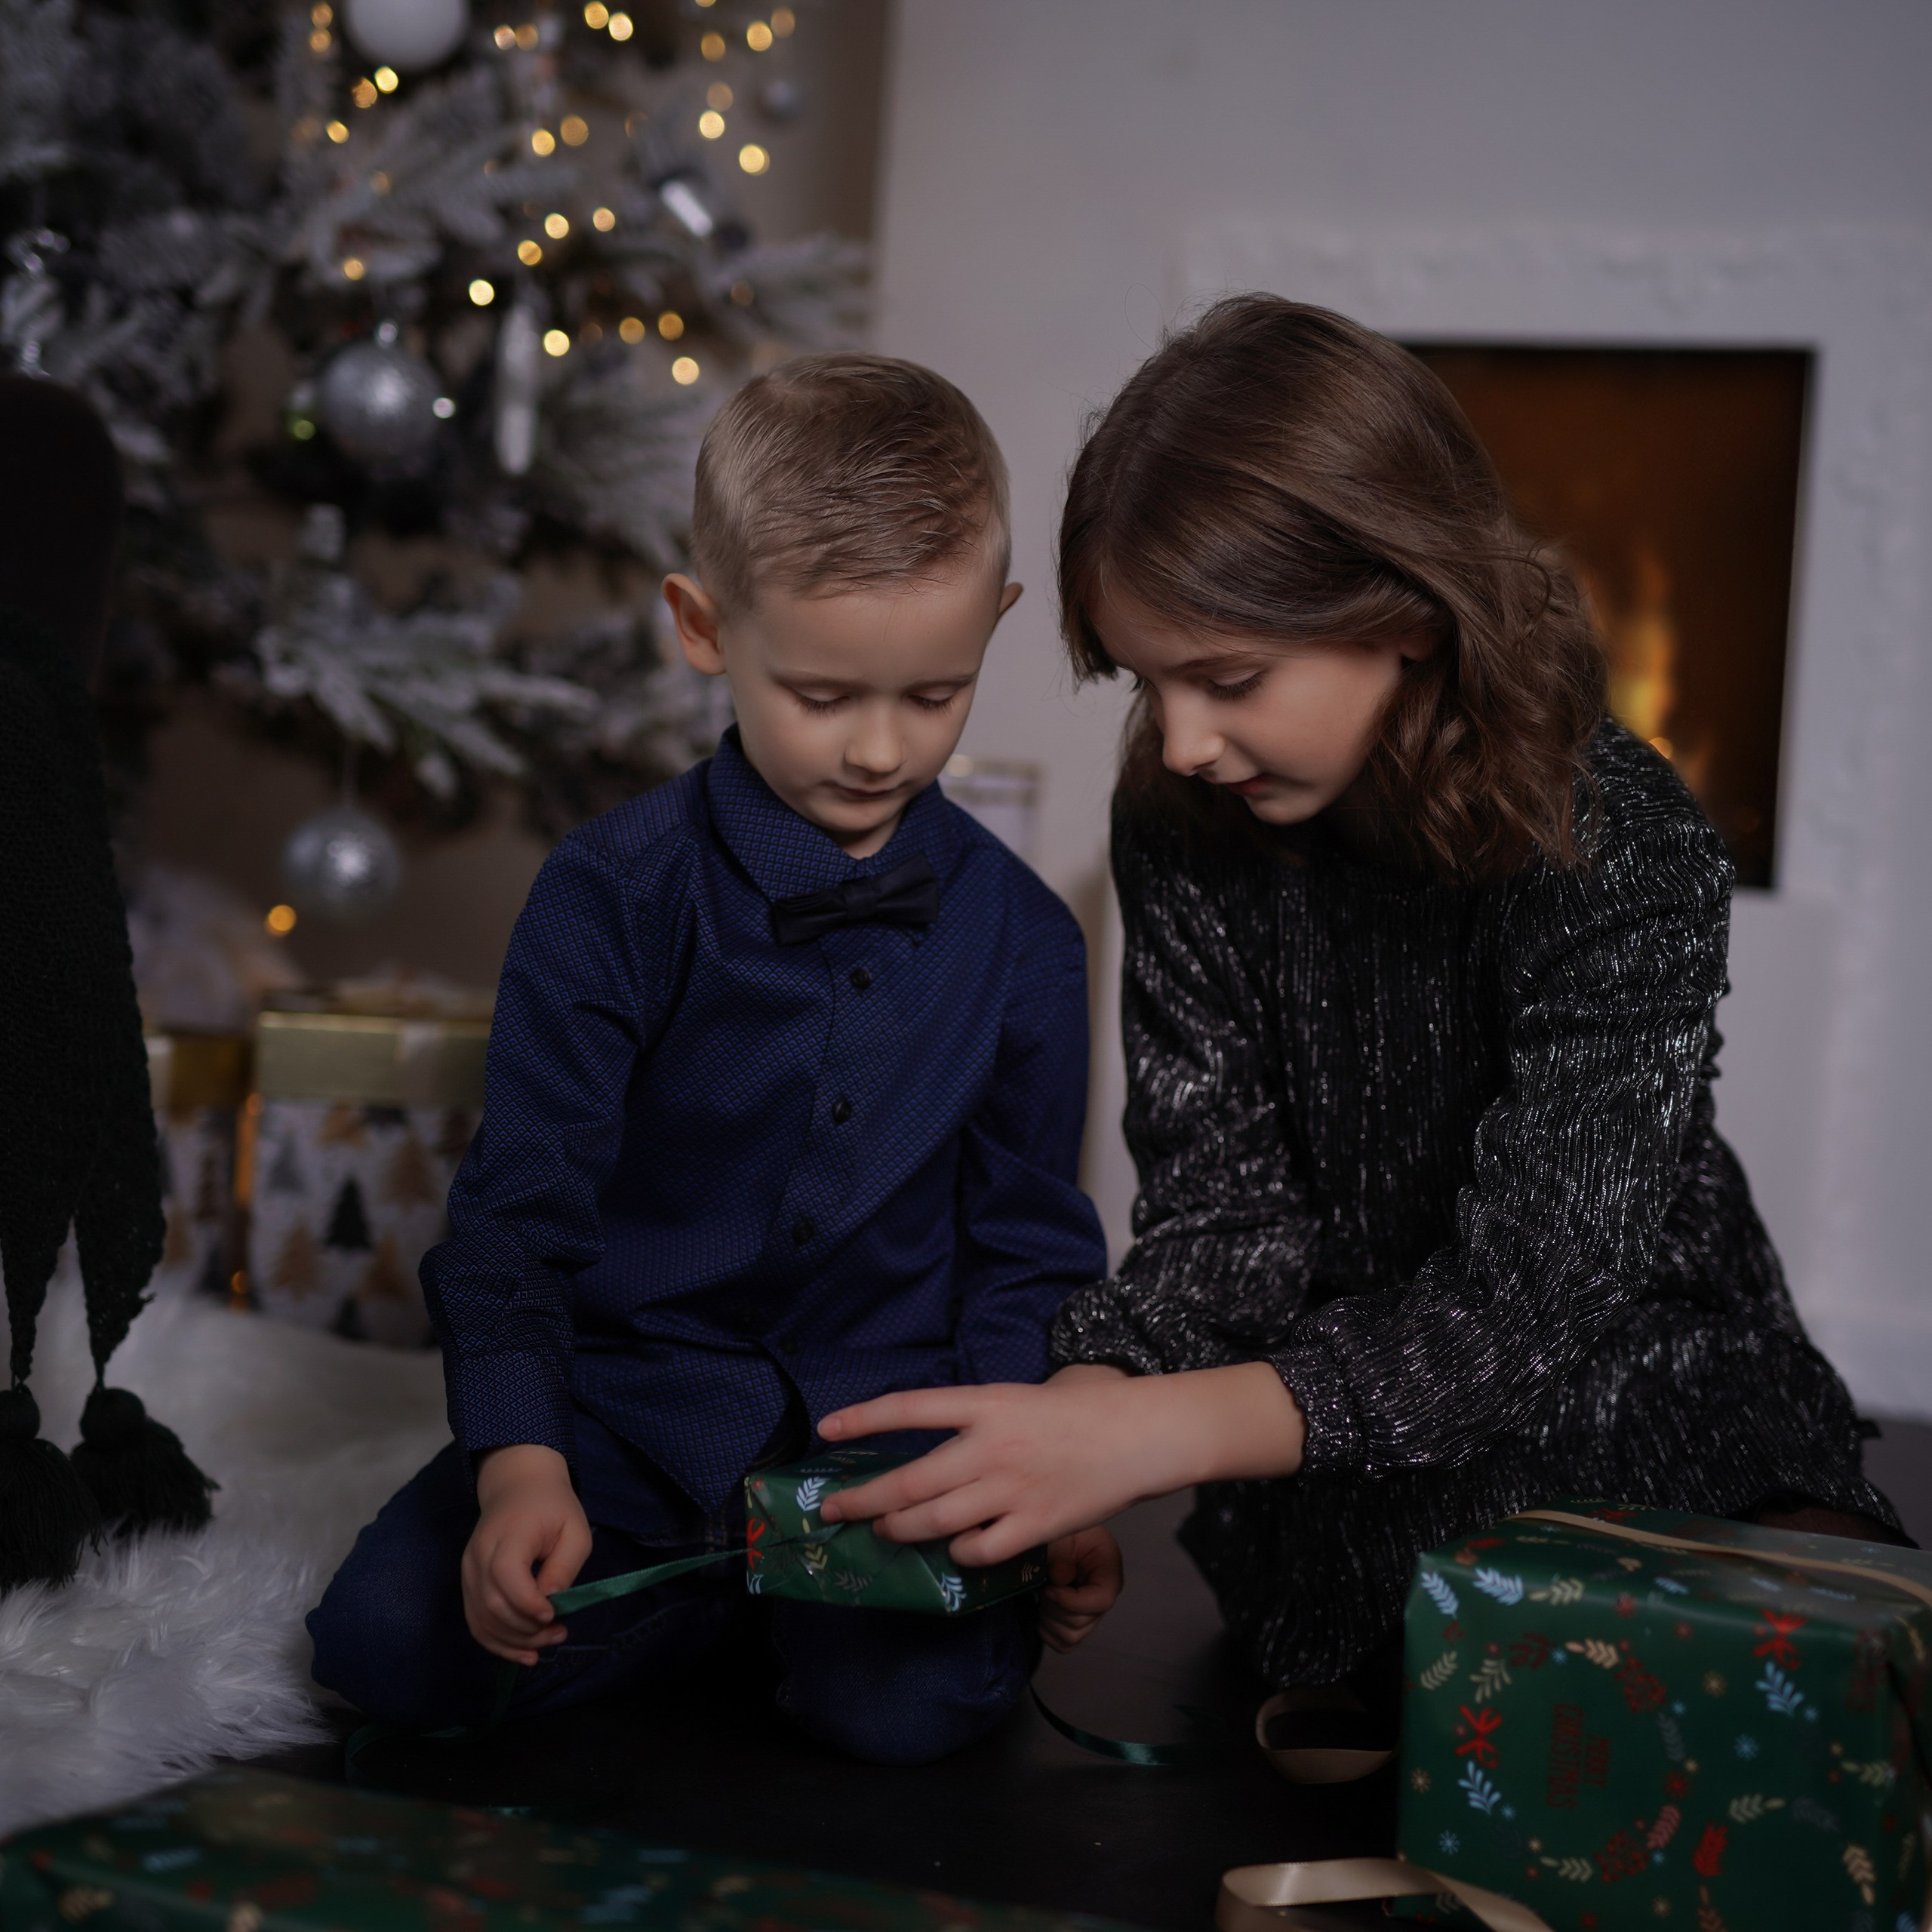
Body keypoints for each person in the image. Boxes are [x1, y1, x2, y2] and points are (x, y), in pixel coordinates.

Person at [815, 298, 1907, 1723]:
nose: (1185, 741)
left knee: (1767, 1616)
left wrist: (1154, 1434)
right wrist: (1083, 1416)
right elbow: (1222, 1218)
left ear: (1401, 609)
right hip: (1337, 1396)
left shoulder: (1623, 840)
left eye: (1230, 680)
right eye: (1150, 684)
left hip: (1618, 1356)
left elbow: (1536, 1302)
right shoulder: (1182, 822)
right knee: (1395, 1590)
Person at [307, 354, 1116, 1764]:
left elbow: (1027, 1245)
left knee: (910, 1713)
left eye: (936, 695)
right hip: (630, 1405)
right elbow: (518, 1211)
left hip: (887, 1425)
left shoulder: (1030, 941)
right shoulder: (608, 893)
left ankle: (753, 1618)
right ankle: (725, 1605)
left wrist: (1048, 1478)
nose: (880, 751)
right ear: (703, 625)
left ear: (996, 622)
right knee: (381, 1641)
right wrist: (521, 1468)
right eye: (821, 695)